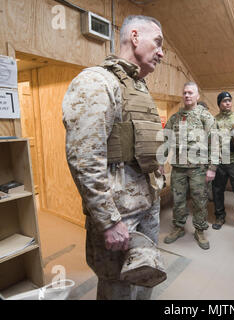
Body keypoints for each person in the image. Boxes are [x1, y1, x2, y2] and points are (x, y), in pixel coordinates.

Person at [62, 15, 165, 300]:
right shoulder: (96, 82)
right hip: (120, 216)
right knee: (117, 288)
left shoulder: (139, 88)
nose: (162, 52)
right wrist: (108, 221)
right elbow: (85, 158)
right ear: (134, 37)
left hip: (147, 206)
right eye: (157, 42)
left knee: (145, 278)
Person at [163, 82, 217, 250]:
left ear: (197, 96)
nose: (187, 95)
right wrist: (160, 162)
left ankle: (199, 230)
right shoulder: (175, 118)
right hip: (178, 168)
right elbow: (166, 141)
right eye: (185, 92)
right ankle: (178, 227)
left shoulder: (205, 116)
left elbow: (215, 143)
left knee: (199, 201)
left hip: (198, 169)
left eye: (190, 93)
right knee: (178, 200)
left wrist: (212, 168)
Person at [211, 91, 234, 234]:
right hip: (220, 161)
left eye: (229, 101)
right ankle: (220, 217)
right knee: (217, 189)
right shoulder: (215, 121)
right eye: (224, 101)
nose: (227, 103)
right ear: (219, 104)